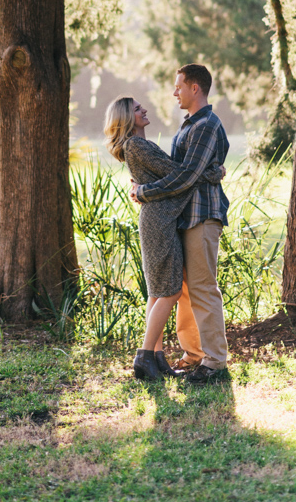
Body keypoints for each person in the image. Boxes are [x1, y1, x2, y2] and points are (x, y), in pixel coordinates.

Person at [103, 94, 224, 382]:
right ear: (125, 118)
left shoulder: (140, 145)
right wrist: (214, 172)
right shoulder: (136, 145)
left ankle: (156, 358)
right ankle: (144, 356)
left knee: (158, 291)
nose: (144, 109)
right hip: (159, 221)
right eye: (136, 109)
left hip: (160, 219)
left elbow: (172, 176)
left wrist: (143, 188)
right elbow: (181, 175)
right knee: (169, 291)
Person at [130, 64, 229, 385]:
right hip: (183, 216)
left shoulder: (206, 125)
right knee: (185, 291)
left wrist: (144, 191)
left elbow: (186, 176)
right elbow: (184, 170)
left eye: (179, 87)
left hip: (202, 215)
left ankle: (214, 363)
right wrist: (211, 171)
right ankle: (195, 354)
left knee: (202, 289)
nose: (174, 92)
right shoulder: (190, 124)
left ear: (195, 88)